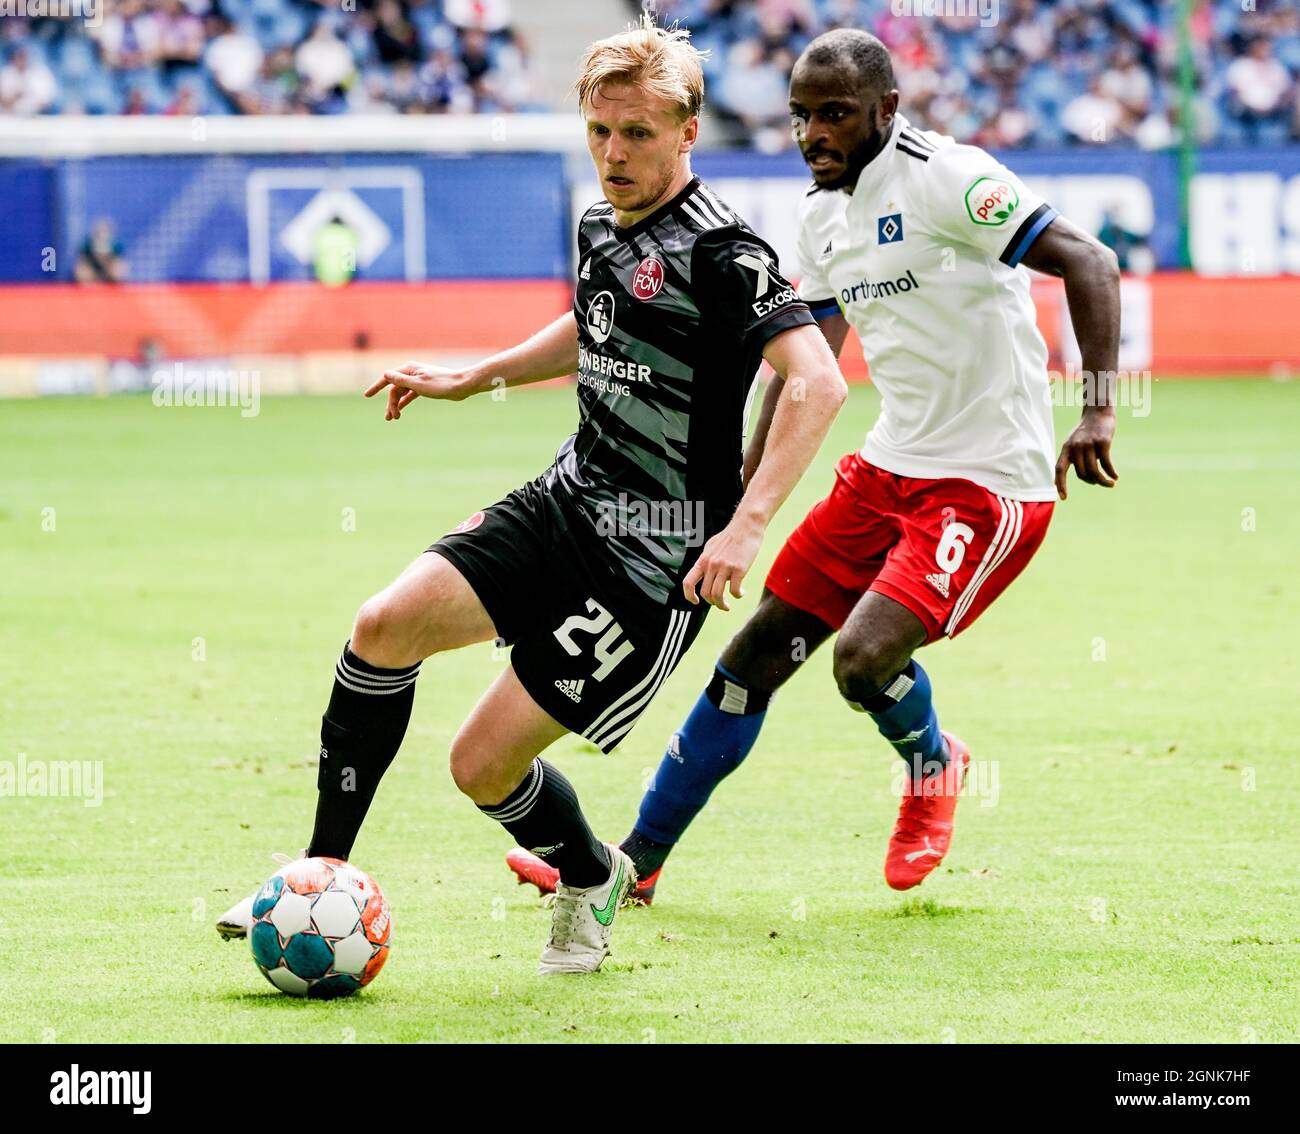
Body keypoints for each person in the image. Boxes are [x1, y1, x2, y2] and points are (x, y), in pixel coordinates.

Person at [215, 21, 846, 975]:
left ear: (687, 129)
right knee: (383, 624)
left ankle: (593, 877)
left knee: (480, 767)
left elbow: (817, 381)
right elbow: (593, 323)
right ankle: (318, 871)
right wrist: (477, 377)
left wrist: (746, 525)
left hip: (653, 560)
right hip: (565, 500)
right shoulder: (601, 223)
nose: (613, 153)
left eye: (636, 132)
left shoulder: (725, 250)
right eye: (599, 130)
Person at [507, 27, 1121, 906]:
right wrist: (741, 506)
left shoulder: (951, 178)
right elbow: (804, 376)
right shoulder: (822, 217)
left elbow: (1090, 262)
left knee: (862, 662)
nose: (813, 136)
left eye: (834, 116)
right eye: (800, 118)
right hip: (889, 470)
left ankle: (934, 764)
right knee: (750, 658)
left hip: (988, 485)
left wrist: (1097, 407)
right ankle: (634, 864)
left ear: (887, 110)